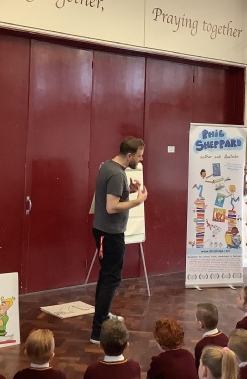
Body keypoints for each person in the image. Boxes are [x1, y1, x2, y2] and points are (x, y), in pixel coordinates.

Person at [90, 136, 148, 343]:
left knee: (106, 276)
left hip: (105, 231)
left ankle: (103, 316)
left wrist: (127, 190)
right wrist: (138, 201)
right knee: (111, 279)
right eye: (139, 156)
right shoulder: (116, 174)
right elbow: (111, 207)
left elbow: (113, 195)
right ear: (129, 155)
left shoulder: (109, 166)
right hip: (110, 234)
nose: (141, 160)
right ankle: (98, 332)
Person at [194, 303, 228, 371]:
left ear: (200, 324)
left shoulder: (201, 345)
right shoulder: (226, 339)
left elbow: (198, 369)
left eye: (194, 318)